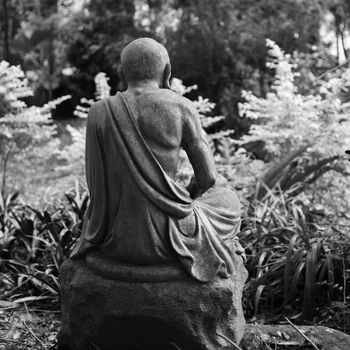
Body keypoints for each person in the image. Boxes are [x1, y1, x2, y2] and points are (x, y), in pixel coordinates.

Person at [71, 37, 245, 282]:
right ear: (167, 72)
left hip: (114, 240)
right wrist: (181, 201)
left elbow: (96, 189)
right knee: (228, 199)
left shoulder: (98, 113)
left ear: (122, 73)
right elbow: (207, 178)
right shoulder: (181, 107)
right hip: (171, 237)